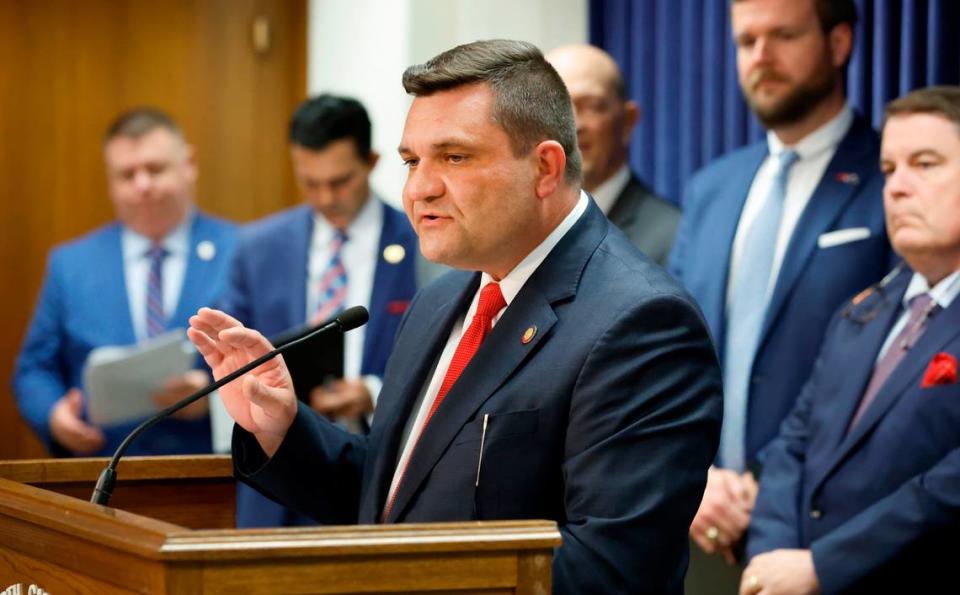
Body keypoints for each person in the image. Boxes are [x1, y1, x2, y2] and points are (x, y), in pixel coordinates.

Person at [188, 40, 722, 594]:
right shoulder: (440, 301)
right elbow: (396, 501)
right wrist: (282, 427)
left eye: (454, 157)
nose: (419, 189)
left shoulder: (641, 323)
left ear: (544, 167)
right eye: (412, 161)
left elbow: (610, 573)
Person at [668, 0, 894, 560]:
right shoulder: (711, 187)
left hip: (829, 531)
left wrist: (766, 477)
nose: (761, 57)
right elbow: (672, 351)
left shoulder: (892, 178)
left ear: (839, 43)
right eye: (747, 42)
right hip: (698, 520)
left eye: (783, 36)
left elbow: (893, 364)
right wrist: (697, 473)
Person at [743, 85, 960, 595]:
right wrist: (770, 556)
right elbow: (791, 446)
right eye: (888, 170)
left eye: (925, 164)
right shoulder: (864, 311)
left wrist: (823, 567)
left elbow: (949, 488)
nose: (898, 187)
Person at [220, 94, 419, 527]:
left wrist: (372, 392)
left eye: (340, 181)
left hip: (372, 473)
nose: (326, 197)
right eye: (310, 183)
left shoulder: (420, 242)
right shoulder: (257, 247)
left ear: (371, 160)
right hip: (274, 482)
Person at [14, 108, 236, 457]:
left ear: (188, 164)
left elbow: (277, 361)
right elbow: (33, 370)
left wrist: (214, 396)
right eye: (127, 174)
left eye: (155, 169)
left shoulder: (242, 251)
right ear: (110, 181)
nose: (142, 185)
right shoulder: (70, 264)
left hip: (216, 472)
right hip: (101, 471)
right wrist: (55, 416)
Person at [546, 43, 679, 265]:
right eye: (556, 108)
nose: (573, 125)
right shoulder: (514, 235)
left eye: (592, 106)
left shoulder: (672, 237)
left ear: (628, 121)